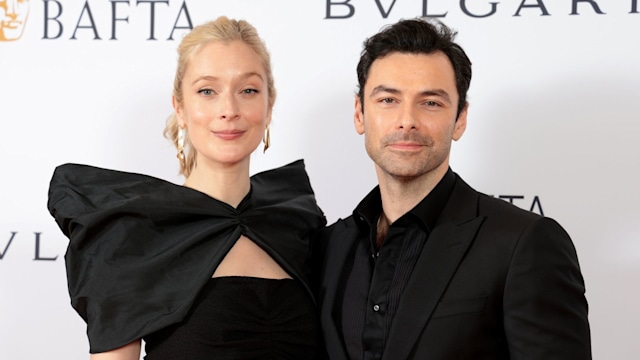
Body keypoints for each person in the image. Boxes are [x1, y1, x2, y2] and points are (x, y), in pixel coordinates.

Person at [48, 16, 325, 359]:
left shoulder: (300, 226)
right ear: (180, 107)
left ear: (269, 106)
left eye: (248, 90)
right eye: (207, 91)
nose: (229, 110)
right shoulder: (131, 233)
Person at [317, 18, 591, 359]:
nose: (407, 120)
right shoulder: (328, 247)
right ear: (360, 113)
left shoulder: (522, 243)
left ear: (460, 119)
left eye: (430, 102)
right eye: (388, 100)